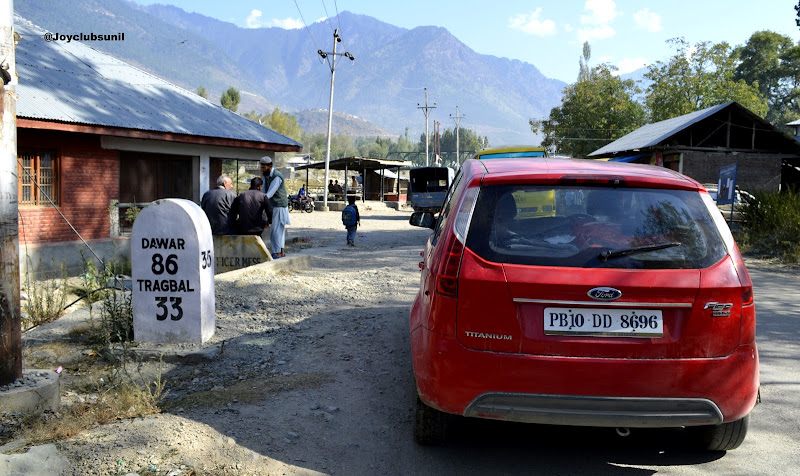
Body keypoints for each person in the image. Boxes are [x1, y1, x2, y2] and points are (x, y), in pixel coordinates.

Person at [260, 156, 290, 259]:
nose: (262, 170)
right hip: (274, 206)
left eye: (264, 168)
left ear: (270, 166)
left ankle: (277, 252)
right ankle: (280, 252)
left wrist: (260, 201)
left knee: (276, 230)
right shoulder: (267, 176)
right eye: (261, 167)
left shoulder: (277, 176)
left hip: (279, 206)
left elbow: (270, 193)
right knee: (278, 230)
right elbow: (263, 191)